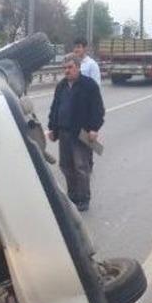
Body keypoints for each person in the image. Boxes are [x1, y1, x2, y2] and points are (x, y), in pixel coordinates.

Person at [47, 54, 105, 212]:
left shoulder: (89, 85)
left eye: (70, 67)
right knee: (66, 166)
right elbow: (55, 108)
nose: (67, 71)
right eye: (65, 68)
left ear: (78, 67)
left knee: (80, 167)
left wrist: (94, 129)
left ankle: (83, 199)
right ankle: (72, 196)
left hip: (81, 133)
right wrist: (52, 127)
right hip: (64, 133)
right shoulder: (61, 86)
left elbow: (98, 110)